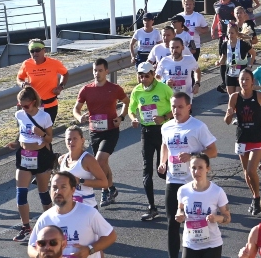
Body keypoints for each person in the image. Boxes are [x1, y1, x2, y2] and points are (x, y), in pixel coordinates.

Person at [158, 92, 218, 258]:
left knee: (195, 222)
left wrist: (192, 154)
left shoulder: (198, 127)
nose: (176, 111)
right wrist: (162, 162)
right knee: (172, 222)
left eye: (180, 107)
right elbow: (165, 146)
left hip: (193, 183)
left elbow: (213, 151)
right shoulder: (166, 126)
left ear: (189, 107)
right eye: (173, 107)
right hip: (173, 180)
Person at [72, 58, 128, 207]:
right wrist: (79, 117)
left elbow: (127, 102)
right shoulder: (86, 90)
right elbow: (76, 109)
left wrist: (121, 117)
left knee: (99, 160)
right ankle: (112, 188)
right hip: (94, 131)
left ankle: (105, 191)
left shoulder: (114, 88)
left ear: (106, 71)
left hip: (111, 131)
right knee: (102, 164)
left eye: (100, 70)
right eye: (95, 70)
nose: (97, 73)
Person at [128, 62, 175, 221]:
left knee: (162, 170)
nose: (143, 79)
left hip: (163, 131)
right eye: (140, 76)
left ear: (153, 74)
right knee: (146, 169)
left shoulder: (163, 88)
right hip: (146, 132)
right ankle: (151, 207)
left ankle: (178, 199)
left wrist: (165, 117)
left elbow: (177, 107)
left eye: (146, 76)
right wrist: (134, 118)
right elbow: (131, 108)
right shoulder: (137, 91)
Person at [225, 69, 261, 215]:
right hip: (242, 138)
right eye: (242, 79)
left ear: (252, 81)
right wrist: (229, 114)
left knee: (252, 170)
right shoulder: (234, 97)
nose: (244, 82)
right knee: (247, 173)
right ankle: (255, 197)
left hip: (257, 136)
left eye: (247, 79)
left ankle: (257, 197)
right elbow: (227, 121)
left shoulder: (259, 96)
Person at [11, 87, 54, 242]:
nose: (23, 108)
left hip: (40, 156)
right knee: (21, 193)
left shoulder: (44, 117)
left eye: (26, 106)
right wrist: (16, 143)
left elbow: (49, 139)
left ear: (34, 102)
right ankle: (26, 227)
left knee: (43, 192)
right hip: (24, 156)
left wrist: (41, 133)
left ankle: (50, 224)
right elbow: (22, 132)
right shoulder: (19, 115)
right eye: (21, 105)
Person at [16, 40, 69, 122]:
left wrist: (60, 87)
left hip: (51, 104)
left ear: (44, 50)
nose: (35, 53)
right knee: (35, 132)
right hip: (34, 105)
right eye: (32, 51)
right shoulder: (26, 64)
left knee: (47, 132)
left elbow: (65, 74)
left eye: (37, 50)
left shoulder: (54, 63)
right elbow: (19, 78)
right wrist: (23, 84)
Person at [58, 126, 109, 208]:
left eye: (75, 139)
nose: (71, 142)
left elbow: (104, 183)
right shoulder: (62, 160)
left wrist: (80, 181)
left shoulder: (87, 160)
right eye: (69, 139)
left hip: (87, 208)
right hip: (67, 207)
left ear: (82, 140)